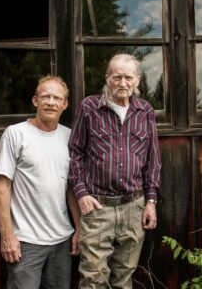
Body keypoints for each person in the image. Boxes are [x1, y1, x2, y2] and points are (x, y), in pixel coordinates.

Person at [68, 54, 162, 288]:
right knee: (93, 277)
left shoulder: (145, 111)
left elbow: (153, 161)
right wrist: (81, 194)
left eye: (128, 77)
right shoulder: (89, 107)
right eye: (117, 77)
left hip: (134, 207)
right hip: (98, 208)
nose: (123, 83)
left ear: (137, 80)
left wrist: (150, 202)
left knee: (124, 278)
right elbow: (75, 152)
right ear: (107, 78)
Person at [0, 75, 80, 289]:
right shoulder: (16, 134)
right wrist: (7, 236)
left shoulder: (69, 137)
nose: (51, 102)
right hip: (25, 241)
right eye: (45, 96)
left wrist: (79, 228)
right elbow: (2, 186)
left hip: (62, 241)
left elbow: (70, 187)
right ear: (35, 100)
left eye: (57, 98)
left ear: (65, 104)